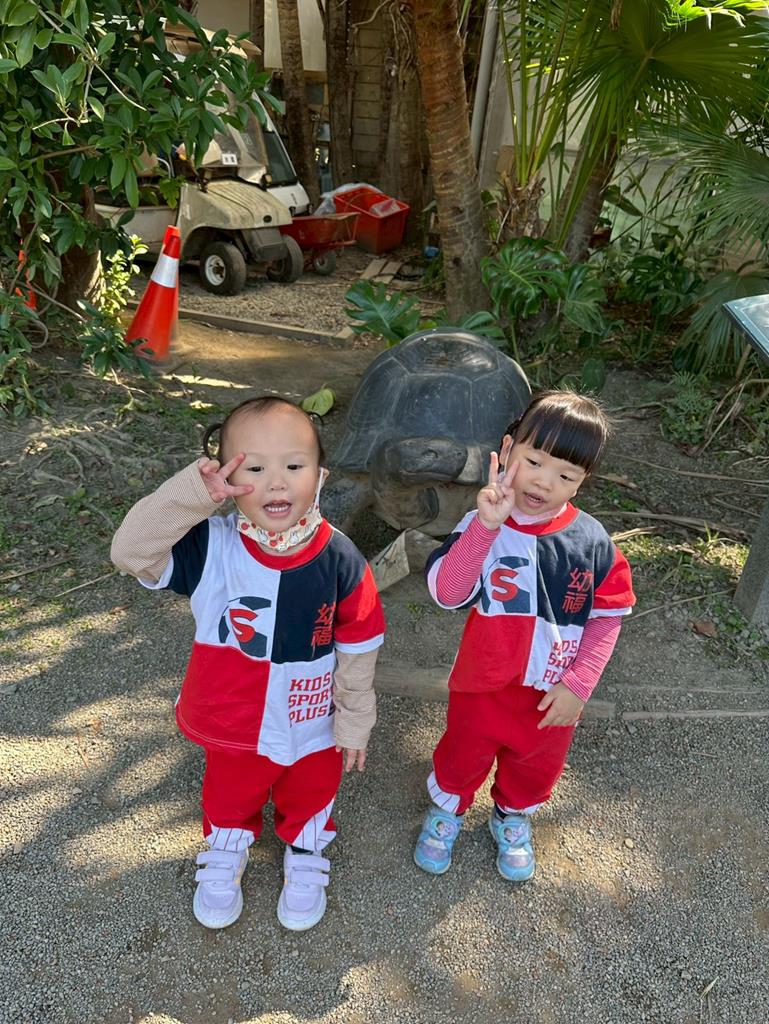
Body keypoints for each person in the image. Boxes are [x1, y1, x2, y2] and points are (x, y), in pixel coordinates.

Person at [111, 396, 385, 931]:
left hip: (312, 717)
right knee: (230, 791)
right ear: (227, 478)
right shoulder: (210, 547)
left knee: (312, 788)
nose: (276, 483)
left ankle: (305, 848)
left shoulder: (341, 557)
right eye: (254, 469)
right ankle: (226, 845)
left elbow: (360, 644)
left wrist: (356, 718)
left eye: (294, 466)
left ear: (321, 476)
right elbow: (130, 551)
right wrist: (192, 496)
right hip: (231, 714)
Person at [413, 390, 635, 881]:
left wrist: (580, 684)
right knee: (463, 752)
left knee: (536, 763)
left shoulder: (592, 541)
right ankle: (448, 809)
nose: (544, 482)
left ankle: (512, 815)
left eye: (566, 475)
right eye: (534, 461)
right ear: (507, 448)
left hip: (552, 690)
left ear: (583, 480)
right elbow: (448, 593)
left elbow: (607, 617)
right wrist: (485, 528)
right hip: (482, 682)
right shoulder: (481, 523)